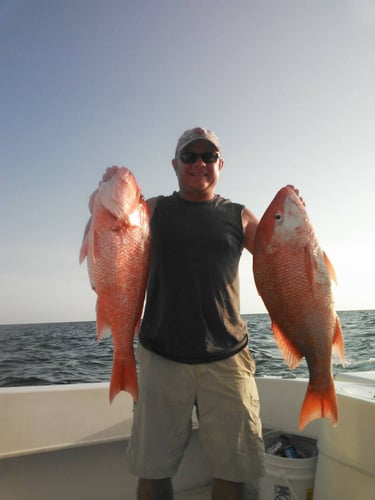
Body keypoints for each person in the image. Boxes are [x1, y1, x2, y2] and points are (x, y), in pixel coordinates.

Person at [106, 127, 265, 499]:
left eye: (208, 157)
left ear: (220, 164)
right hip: (161, 356)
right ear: (175, 164)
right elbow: (112, 233)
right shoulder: (152, 210)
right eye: (190, 156)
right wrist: (106, 197)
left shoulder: (239, 216)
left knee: (233, 470)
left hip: (228, 359)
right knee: (153, 470)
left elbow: (281, 257)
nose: (199, 163)